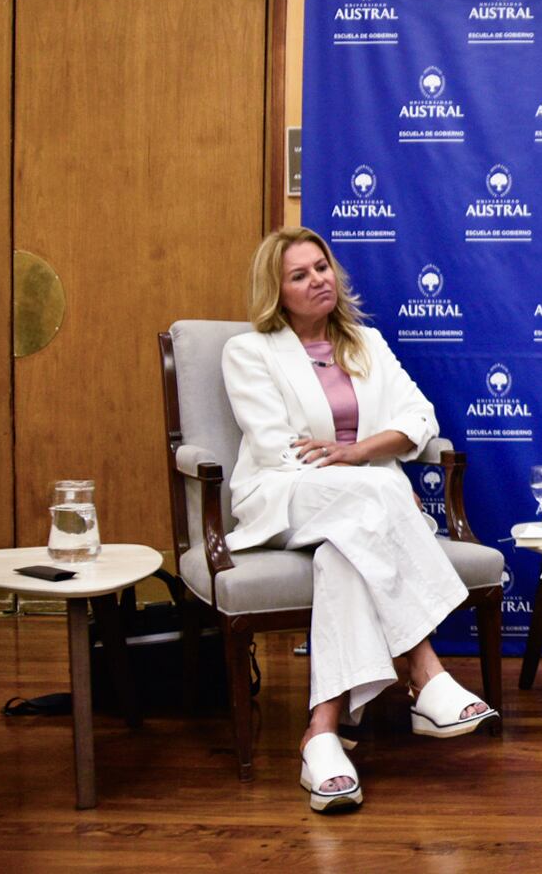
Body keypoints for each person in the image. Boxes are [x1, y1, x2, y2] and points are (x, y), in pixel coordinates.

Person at [223, 227, 496, 814]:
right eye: (299, 275)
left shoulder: (366, 342)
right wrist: (365, 468)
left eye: (321, 267)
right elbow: (280, 449)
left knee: (340, 557)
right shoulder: (249, 351)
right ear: (278, 291)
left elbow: (419, 416)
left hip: (360, 511)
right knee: (374, 500)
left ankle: (320, 736)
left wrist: (359, 451)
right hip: (285, 494)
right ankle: (425, 673)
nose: (317, 279)